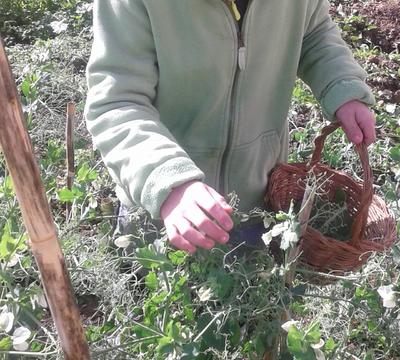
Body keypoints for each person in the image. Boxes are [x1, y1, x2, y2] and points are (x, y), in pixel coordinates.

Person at [85, 0, 376, 254]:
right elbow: (118, 102)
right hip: (163, 214)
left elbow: (313, 31)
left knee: (257, 313)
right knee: (158, 312)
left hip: (259, 203)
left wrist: (341, 87)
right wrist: (170, 181)